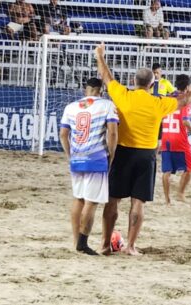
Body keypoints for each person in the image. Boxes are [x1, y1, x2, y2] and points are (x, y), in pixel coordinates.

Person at [94, 43, 191, 256]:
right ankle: (131, 247)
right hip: (146, 155)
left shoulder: (123, 95)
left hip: (123, 152)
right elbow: (181, 102)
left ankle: (105, 245)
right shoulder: (158, 103)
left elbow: (106, 77)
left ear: (134, 82)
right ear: (153, 83)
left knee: (112, 200)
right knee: (138, 203)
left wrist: (100, 55)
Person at [58, 78, 118, 256]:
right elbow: (113, 132)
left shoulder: (71, 107)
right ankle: (83, 244)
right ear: (102, 90)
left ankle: (76, 240)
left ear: (86, 89)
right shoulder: (107, 105)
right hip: (96, 158)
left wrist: (70, 155)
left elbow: (63, 134)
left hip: (77, 158)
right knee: (91, 202)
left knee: (78, 198)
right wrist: (112, 155)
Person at [159, 75, 191, 204]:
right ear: (187, 87)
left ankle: (167, 200)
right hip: (180, 139)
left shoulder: (169, 98)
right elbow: (185, 121)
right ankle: (180, 193)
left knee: (167, 171)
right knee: (190, 168)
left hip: (166, 137)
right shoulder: (184, 102)